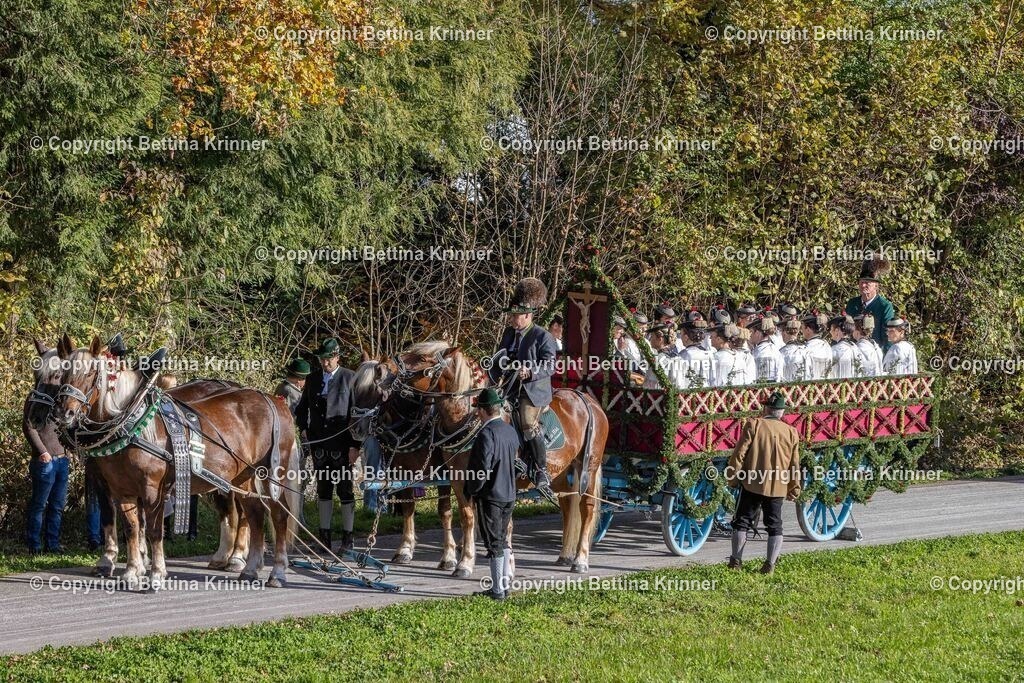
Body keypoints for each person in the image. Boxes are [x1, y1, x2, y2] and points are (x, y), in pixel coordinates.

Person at [495, 277, 558, 504]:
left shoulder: (543, 336)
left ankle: (541, 470)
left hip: (534, 391)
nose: (511, 319)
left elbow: (551, 365)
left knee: (528, 423)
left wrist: (529, 371)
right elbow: (499, 358)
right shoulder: (509, 334)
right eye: (510, 315)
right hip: (509, 388)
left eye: (515, 315)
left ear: (528, 315)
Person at [295, 337, 359, 551]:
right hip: (319, 445)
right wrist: (303, 428)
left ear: (337, 357)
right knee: (323, 490)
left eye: (328, 359)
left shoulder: (350, 378)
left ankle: (348, 539)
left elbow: (355, 414)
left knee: (345, 490)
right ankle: (324, 538)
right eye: (322, 359)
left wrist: (354, 446)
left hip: (343, 444)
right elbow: (301, 409)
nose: (325, 363)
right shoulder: (312, 379)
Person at [727, 392, 801, 574]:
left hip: (752, 482)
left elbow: (739, 454)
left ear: (766, 408)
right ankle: (770, 564)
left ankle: (736, 561)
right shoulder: (791, 432)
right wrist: (794, 487)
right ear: (782, 412)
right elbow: (794, 464)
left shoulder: (754, 425)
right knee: (775, 525)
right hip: (778, 486)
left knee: (741, 522)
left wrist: (733, 477)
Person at [466, 388, 519, 601]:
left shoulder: (486, 434)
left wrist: (472, 490)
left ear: (483, 410)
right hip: (509, 494)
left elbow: (482, 469)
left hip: (491, 496)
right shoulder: (510, 431)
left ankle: (497, 590)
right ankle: (503, 584)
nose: (477, 413)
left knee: (493, 542)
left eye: (478, 409)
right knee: (503, 539)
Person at [23, 381, 69, 554]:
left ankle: (53, 544)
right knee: (39, 504)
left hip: (62, 460)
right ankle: (34, 546)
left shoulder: (63, 397)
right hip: (44, 461)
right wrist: (42, 452)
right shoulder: (36, 396)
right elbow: (29, 427)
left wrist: (68, 451)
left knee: (57, 505)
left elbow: (66, 426)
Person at [845, 254, 895, 351]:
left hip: (875, 355)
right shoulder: (852, 304)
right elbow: (846, 331)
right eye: (861, 282)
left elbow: (887, 337)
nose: (863, 285)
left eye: (867, 282)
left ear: (876, 285)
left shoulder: (884, 306)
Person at [643, 323, 684, 389]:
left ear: (660, 339)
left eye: (652, 337)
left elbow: (649, 386)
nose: (650, 340)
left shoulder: (657, 360)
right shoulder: (678, 357)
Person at [679, 318, 714, 388]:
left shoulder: (683, 355)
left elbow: (680, 381)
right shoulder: (709, 354)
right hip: (706, 394)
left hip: (688, 395)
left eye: (681, 335)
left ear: (686, 337)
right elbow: (713, 379)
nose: (681, 338)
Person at [828, 314, 863, 378]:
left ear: (837, 331)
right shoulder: (855, 347)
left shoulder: (835, 350)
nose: (830, 332)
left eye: (831, 329)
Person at [750, 316, 784, 382]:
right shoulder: (776, 350)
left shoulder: (755, 353)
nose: (750, 335)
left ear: (757, 333)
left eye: (751, 332)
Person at [801, 311, 833, 379]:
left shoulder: (806, 349)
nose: (801, 331)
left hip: (811, 385)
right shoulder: (827, 346)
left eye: (803, 328)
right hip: (825, 384)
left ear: (808, 330)